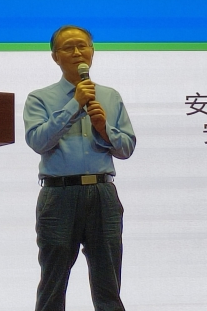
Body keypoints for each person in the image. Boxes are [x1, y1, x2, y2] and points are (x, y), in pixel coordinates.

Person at [24, 25, 136, 311]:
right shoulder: (39, 98)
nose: (77, 52)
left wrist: (104, 128)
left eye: (82, 45)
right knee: (52, 283)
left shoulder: (110, 96)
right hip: (59, 195)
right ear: (55, 56)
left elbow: (126, 148)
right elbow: (38, 141)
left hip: (102, 193)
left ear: (92, 51)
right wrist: (74, 105)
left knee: (108, 285)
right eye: (68, 47)